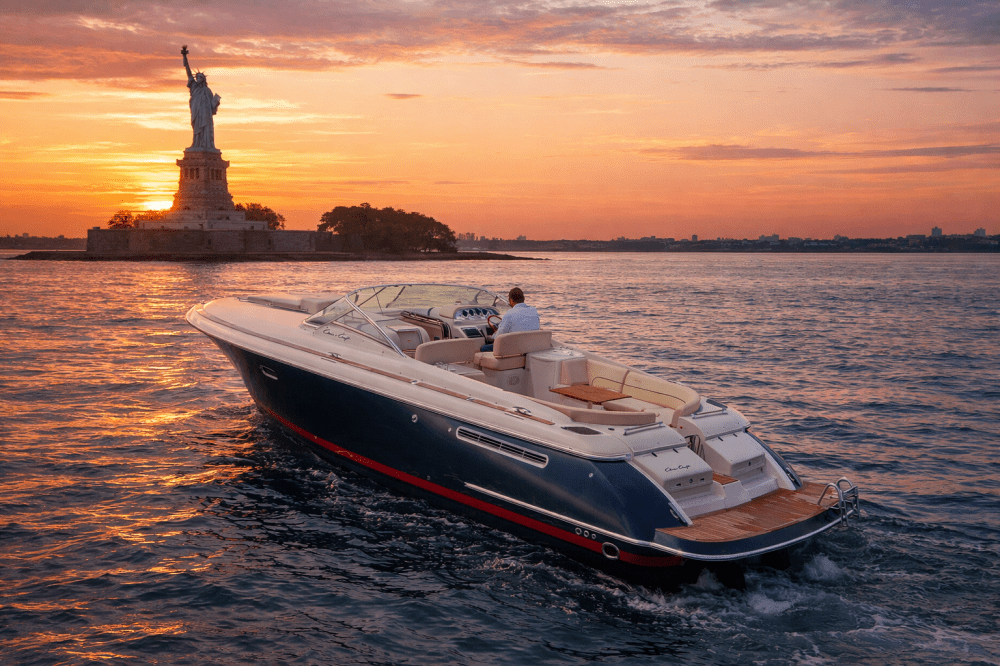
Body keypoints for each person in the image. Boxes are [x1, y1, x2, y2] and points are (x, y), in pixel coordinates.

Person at [182, 45, 221, 151]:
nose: (198, 79)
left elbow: (212, 107)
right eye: (197, 77)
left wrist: (216, 103)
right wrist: (184, 56)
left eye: (200, 77)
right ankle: (196, 144)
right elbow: (188, 71)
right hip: (197, 112)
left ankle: (206, 145)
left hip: (206, 114)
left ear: (203, 79)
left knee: (206, 129)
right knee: (197, 128)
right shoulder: (194, 87)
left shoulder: (207, 91)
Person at [480, 287, 539, 352]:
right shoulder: (534, 310)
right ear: (523, 298)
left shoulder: (509, 314)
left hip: (515, 349)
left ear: (511, 300)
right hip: (531, 347)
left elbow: (499, 336)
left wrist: (493, 336)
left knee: (484, 348)